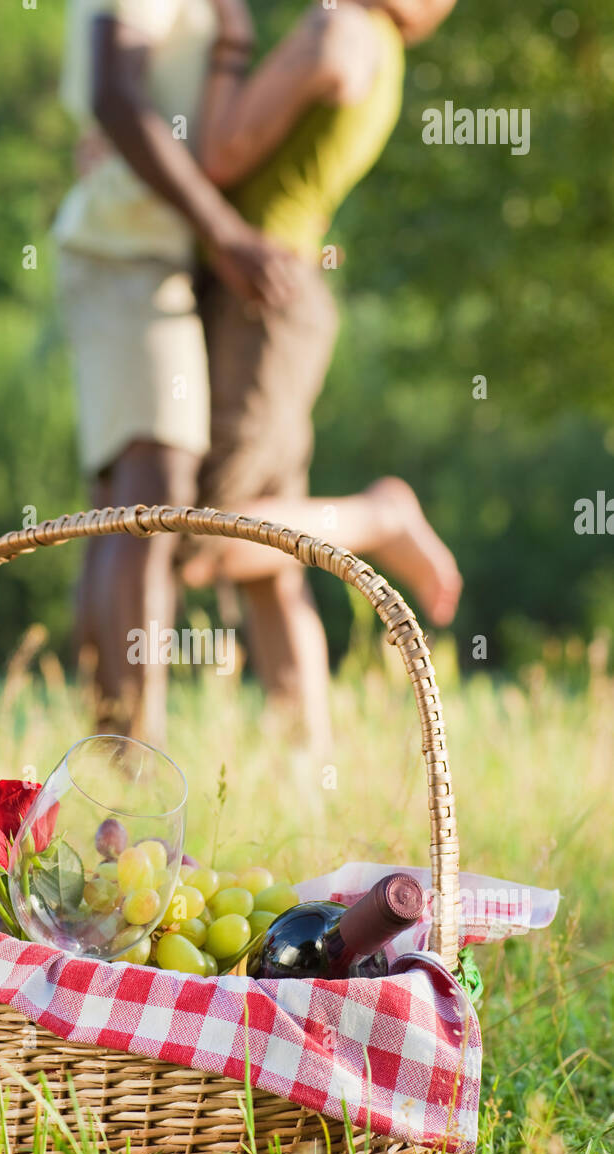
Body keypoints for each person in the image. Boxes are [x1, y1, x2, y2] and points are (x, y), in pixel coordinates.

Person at [180, 0, 463, 754]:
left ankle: (380, 517)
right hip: (278, 301)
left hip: (262, 303)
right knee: (275, 562)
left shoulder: (334, 32)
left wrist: (231, 49)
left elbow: (221, 153)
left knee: (207, 542)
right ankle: (309, 773)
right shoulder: (378, 45)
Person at [54, 0, 299, 746]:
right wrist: (227, 235)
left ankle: (113, 771)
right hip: (123, 253)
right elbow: (114, 94)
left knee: (125, 508)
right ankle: (133, 768)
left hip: (147, 252)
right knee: (148, 494)